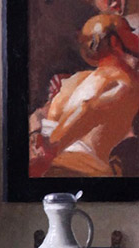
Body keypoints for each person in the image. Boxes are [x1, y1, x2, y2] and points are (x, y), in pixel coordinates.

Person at [30, 13, 139, 178]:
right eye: (129, 31)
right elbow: (87, 108)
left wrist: (46, 145)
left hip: (58, 163)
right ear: (114, 42)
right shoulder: (125, 81)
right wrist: (51, 149)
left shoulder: (77, 80)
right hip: (86, 167)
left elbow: (53, 113)